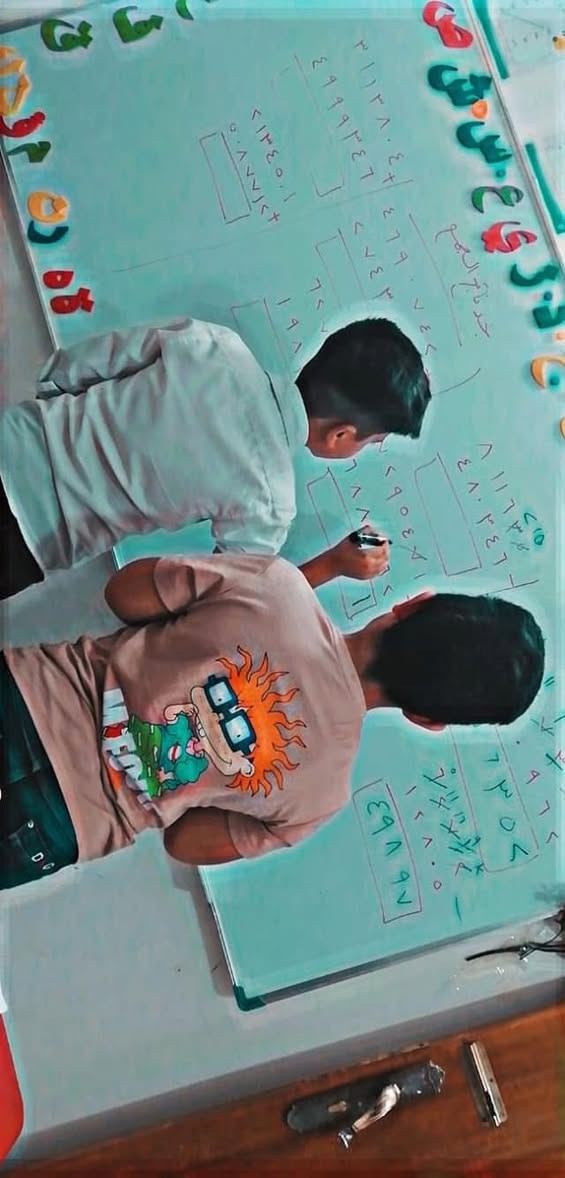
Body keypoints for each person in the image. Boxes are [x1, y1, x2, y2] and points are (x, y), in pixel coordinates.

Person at [0, 540, 544, 891]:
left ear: (411, 605)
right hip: (60, 825)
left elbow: (124, 592)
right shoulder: (321, 795)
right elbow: (184, 842)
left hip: (28, 695)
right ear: (427, 719)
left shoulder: (277, 586)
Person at [0, 314, 430, 599]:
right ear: (341, 435)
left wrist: (47, 421)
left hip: (13, 436)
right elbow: (225, 598)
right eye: (370, 442)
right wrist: (332, 565)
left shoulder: (214, 344)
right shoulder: (270, 501)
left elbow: (81, 365)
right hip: (30, 537)